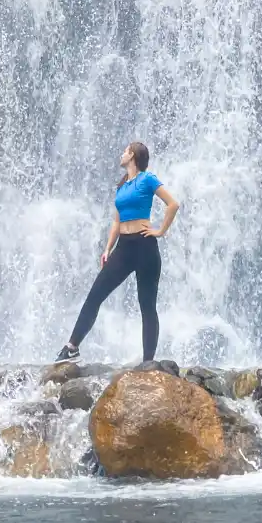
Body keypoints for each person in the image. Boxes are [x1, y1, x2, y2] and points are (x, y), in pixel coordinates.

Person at [55, 141, 180, 364]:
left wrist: (160, 231)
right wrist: (107, 249)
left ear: (132, 155)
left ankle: (148, 362)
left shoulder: (147, 179)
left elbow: (173, 204)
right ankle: (72, 346)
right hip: (123, 247)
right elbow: (116, 221)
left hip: (145, 245)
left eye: (125, 151)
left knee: (147, 305)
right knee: (95, 294)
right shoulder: (122, 186)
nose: (121, 154)